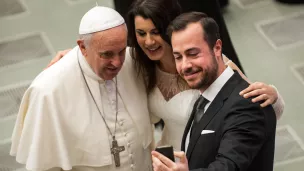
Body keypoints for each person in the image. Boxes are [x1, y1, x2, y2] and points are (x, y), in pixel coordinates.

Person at [47, 0, 284, 151]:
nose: (148, 42)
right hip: (167, 156)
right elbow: (103, 53)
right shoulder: (138, 61)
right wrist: (75, 56)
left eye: (155, 32)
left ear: (170, 29)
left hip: (208, 157)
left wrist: (272, 95)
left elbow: (260, 112)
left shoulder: (204, 65)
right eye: (141, 33)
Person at [10, 6, 153, 171]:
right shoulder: (49, 91)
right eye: (106, 54)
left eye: (121, 51)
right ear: (83, 47)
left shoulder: (134, 60)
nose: (118, 62)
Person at [152, 12, 276, 171]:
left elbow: (228, 166)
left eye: (193, 54)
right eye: (178, 57)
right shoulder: (204, 96)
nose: (185, 66)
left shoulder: (247, 104)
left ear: (217, 48)